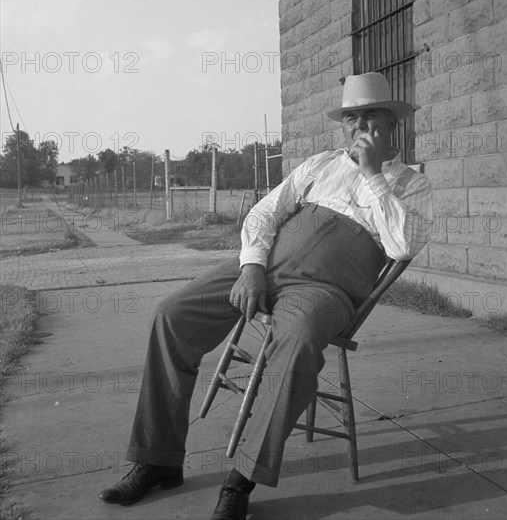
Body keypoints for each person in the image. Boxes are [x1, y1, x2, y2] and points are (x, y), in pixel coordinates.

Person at [98, 72, 433, 520]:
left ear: (392, 124)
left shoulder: (412, 184)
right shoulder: (319, 165)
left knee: (294, 345)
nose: (358, 127)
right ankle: (157, 459)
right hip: (265, 267)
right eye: (351, 118)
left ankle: (240, 481)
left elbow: (403, 245)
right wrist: (252, 267)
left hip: (323, 290)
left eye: (370, 115)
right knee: (170, 314)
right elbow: (263, 214)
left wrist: (372, 174)